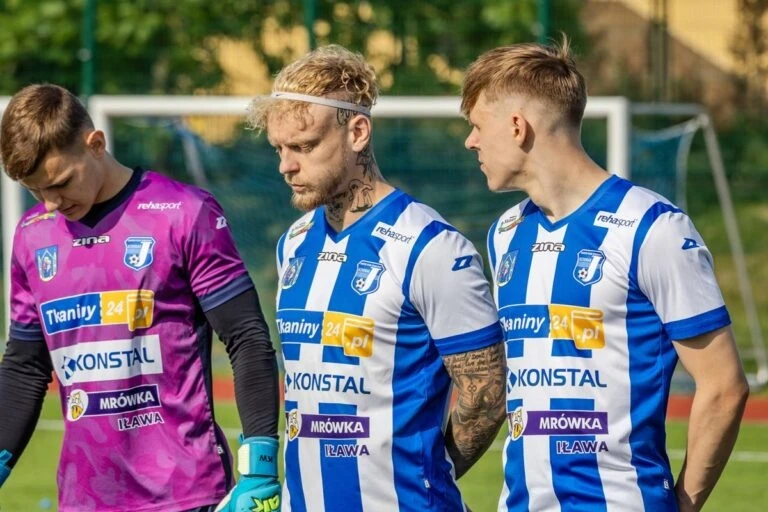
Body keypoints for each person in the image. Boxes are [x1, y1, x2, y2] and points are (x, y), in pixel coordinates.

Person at [461, 36, 750, 512]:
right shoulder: (505, 233)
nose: (470, 141)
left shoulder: (653, 228)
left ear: (516, 126)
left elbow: (723, 386)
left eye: (476, 125)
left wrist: (683, 505)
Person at [247, 44, 506, 511]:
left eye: (304, 146)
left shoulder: (431, 247)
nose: (286, 166)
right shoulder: (294, 242)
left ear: (357, 132)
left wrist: (423, 473)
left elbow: (487, 395)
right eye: (280, 149)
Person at [0, 84, 282, 512]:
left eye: (60, 183)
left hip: (185, 493)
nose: (51, 204)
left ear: (96, 144)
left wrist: (260, 466)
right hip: (84, 499)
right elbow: (25, 367)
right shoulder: (31, 235)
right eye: (37, 191)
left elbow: (246, 337)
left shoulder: (185, 213)